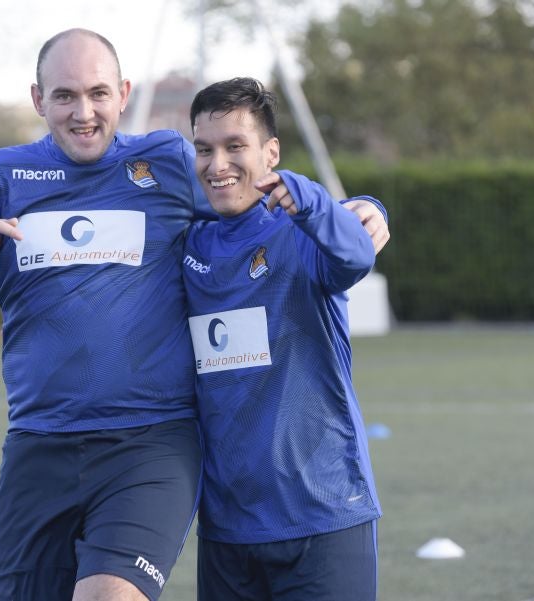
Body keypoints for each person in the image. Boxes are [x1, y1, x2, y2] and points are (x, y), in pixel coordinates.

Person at [0, 29, 389, 601]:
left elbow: (243, 178)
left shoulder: (162, 162)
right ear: (38, 100)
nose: (83, 112)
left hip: (150, 443)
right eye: (64, 96)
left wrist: (366, 208)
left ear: (123, 93)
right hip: (39, 443)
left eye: (97, 93)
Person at [183, 77, 384, 601]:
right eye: (204, 149)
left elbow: (356, 255)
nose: (217, 163)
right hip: (227, 528)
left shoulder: (303, 231)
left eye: (235, 147)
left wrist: (338, 206)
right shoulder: (186, 242)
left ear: (271, 152)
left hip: (323, 514)